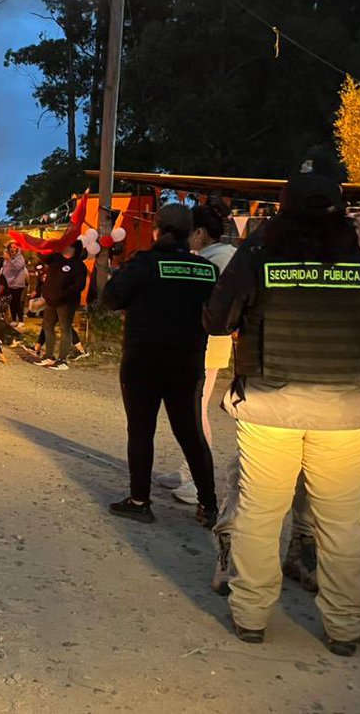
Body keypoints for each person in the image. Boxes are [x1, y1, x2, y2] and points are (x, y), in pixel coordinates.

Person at [202, 170, 360, 654]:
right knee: (340, 522)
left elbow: (217, 318)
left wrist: (251, 248)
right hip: (347, 412)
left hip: (270, 409)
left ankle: (250, 616)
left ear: (282, 210)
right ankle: (345, 627)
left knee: (259, 514)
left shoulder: (262, 254)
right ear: (340, 211)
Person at [102, 203, 220, 527]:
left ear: (157, 229)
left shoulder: (144, 263)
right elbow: (221, 316)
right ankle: (208, 506)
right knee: (192, 434)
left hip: (143, 362)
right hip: (188, 362)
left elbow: (111, 298)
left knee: (141, 430)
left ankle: (139, 501)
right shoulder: (207, 271)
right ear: (190, 233)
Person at [157, 202, 237, 506]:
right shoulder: (212, 256)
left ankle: (196, 480)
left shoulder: (218, 260)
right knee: (187, 409)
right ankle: (185, 470)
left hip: (207, 345)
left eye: (189, 232)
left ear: (200, 233)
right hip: (198, 343)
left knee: (196, 410)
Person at [38, 242, 87, 369]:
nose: (63, 247)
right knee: (47, 326)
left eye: (66, 245)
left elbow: (79, 285)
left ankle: (62, 360)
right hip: (51, 300)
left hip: (66, 302)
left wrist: (64, 294)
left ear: (73, 248)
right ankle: (49, 355)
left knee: (65, 328)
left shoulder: (79, 265)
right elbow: (43, 257)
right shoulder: (56, 259)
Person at [2, 243, 28, 326]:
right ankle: (13, 319)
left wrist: (9, 260)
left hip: (17, 283)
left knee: (17, 302)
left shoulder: (20, 258)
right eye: (11, 247)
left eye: (14, 247)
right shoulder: (7, 258)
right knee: (11, 302)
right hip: (8, 283)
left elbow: (17, 267)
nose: (12, 249)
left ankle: (20, 320)